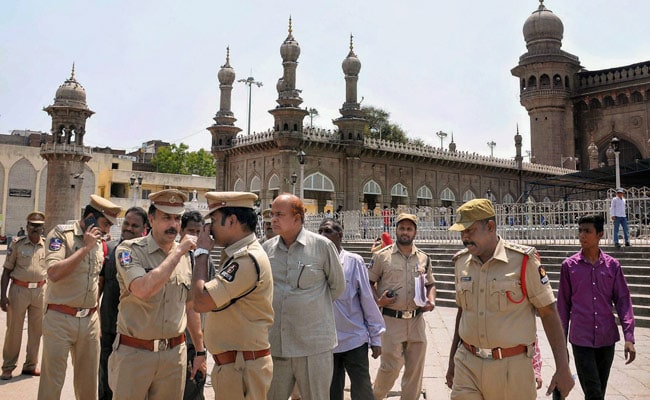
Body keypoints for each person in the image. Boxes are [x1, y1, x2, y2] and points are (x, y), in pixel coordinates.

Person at [444, 198, 574, 399]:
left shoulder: (523, 261)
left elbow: (548, 313)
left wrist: (562, 367)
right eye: (462, 232)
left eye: (469, 231)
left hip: (512, 370)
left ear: (490, 226)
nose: (464, 237)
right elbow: (462, 313)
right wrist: (453, 360)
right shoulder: (461, 262)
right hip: (467, 364)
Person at [109, 189, 206, 399]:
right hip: (134, 354)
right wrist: (178, 252)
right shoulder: (129, 250)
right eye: (166, 218)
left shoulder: (187, 256)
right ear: (151, 219)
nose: (173, 224)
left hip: (173, 356)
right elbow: (142, 289)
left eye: (177, 218)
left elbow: (189, 307)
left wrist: (200, 350)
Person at [191, 191, 274, 400]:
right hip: (236, 366)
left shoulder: (246, 259)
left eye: (214, 221)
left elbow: (201, 301)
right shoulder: (237, 254)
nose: (209, 229)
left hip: (242, 367)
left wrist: (201, 252)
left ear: (232, 221)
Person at [262, 193, 345, 400]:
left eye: (279, 214)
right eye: (272, 214)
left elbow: (337, 286)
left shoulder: (321, 246)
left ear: (297, 218)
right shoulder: (267, 249)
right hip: (276, 345)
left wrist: (310, 308)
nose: (273, 219)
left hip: (313, 347)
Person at [38, 195, 121, 400]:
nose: (107, 230)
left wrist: (97, 320)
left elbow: (96, 283)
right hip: (60, 318)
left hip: (89, 321)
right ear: (91, 218)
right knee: (52, 382)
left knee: (88, 384)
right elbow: (54, 273)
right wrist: (85, 248)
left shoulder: (100, 243)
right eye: (104, 224)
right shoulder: (60, 235)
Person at [557, 214, 636, 399]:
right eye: (580, 231)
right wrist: (560, 345)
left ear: (600, 234)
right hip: (581, 340)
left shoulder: (612, 267)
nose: (582, 235)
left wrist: (629, 337)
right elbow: (562, 307)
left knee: (599, 390)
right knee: (593, 391)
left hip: (606, 339)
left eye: (587, 231)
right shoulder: (569, 267)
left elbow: (623, 301)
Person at [369, 213, 436, 400]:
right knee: (390, 367)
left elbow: (430, 283)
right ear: (396, 230)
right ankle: (375, 396)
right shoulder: (382, 256)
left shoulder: (423, 258)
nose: (405, 232)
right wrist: (378, 301)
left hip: (416, 321)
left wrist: (431, 300)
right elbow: (368, 283)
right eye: (402, 228)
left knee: (415, 370)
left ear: (415, 232)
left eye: (409, 229)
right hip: (391, 321)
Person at [318, 218, 385, 400]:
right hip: (326, 343)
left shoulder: (353, 262)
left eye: (328, 231)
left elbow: (367, 300)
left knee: (362, 390)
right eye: (320, 232)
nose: (323, 235)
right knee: (332, 392)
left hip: (354, 339)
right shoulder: (315, 264)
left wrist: (376, 338)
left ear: (340, 235)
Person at [98, 206, 148, 400]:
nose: (128, 228)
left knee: (132, 384)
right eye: (126, 223)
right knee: (105, 378)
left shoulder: (146, 255)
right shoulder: (109, 250)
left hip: (134, 332)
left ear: (145, 228)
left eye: (135, 225)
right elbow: (99, 286)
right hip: (109, 328)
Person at [1, 211, 46, 380]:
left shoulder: (47, 246)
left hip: (40, 291)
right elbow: (6, 271)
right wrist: (3, 296)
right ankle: (8, 366)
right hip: (19, 291)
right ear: (26, 227)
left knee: (36, 331)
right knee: (14, 330)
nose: (35, 228)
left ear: (43, 228)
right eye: (32, 225)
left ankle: (30, 365)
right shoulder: (17, 244)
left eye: (39, 226)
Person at [180, 210, 209, 400]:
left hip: (197, 342)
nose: (195, 237)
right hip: (177, 341)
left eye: (199, 232)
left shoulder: (204, 261)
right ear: (180, 231)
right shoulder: (173, 258)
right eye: (191, 231)